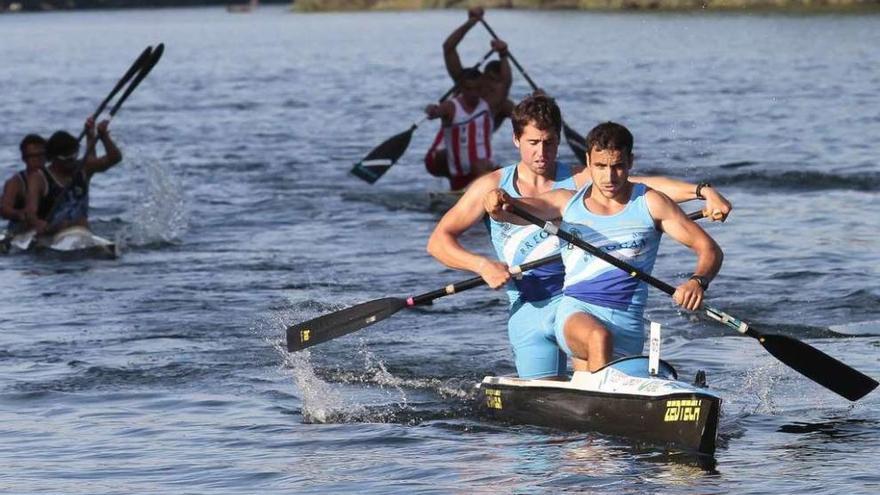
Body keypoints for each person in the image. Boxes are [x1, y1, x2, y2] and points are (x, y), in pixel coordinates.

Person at [426, 94, 731, 380]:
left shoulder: (585, 178)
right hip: (530, 306)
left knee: (598, 355)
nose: (541, 153)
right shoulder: (491, 185)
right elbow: (439, 242)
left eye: (549, 143)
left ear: (559, 140)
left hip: (579, 300)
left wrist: (701, 193)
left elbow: (643, 187)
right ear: (516, 139)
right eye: (533, 143)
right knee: (547, 415)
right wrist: (482, 266)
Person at [484, 121, 723, 373]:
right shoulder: (567, 203)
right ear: (588, 161)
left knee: (589, 380)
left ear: (630, 162)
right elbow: (514, 211)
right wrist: (498, 202)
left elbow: (709, 249)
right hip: (576, 312)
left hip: (627, 326)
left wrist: (698, 281)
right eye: (600, 166)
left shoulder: (651, 203)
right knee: (599, 338)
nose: (609, 177)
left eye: (618, 167)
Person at [424, 7, 514, 191]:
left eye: (494, 84)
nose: (490, 88)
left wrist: (504, 53)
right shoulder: (463, 87)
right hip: (444, 159)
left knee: (489, 166)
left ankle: (483, 189)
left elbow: (506, 84)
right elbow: (448, 48)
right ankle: (471, 192)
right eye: (488, 82)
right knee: (475, 162)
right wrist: (471, 23)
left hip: (474, 165)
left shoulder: (495, 104)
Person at [24, 116, 122, 235]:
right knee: (78, 223)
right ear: (53, 158)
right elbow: (30, 213)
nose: (73, 162)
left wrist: (103, 136)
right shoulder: (38, 178)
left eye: (75, 156)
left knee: (81, 223)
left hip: (80, 229)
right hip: (52, 232)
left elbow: (114, 158)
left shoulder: (83, 168)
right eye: (67, 159)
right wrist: (37, 223)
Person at [1, 134, 47, 234]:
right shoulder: (16, 182)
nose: (36, 159)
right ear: (24, 159)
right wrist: (19, 214)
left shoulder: (52, 178)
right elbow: (4, 209)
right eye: (31, 156)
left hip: (46, 228)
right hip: (20, 231)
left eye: (40, 155)